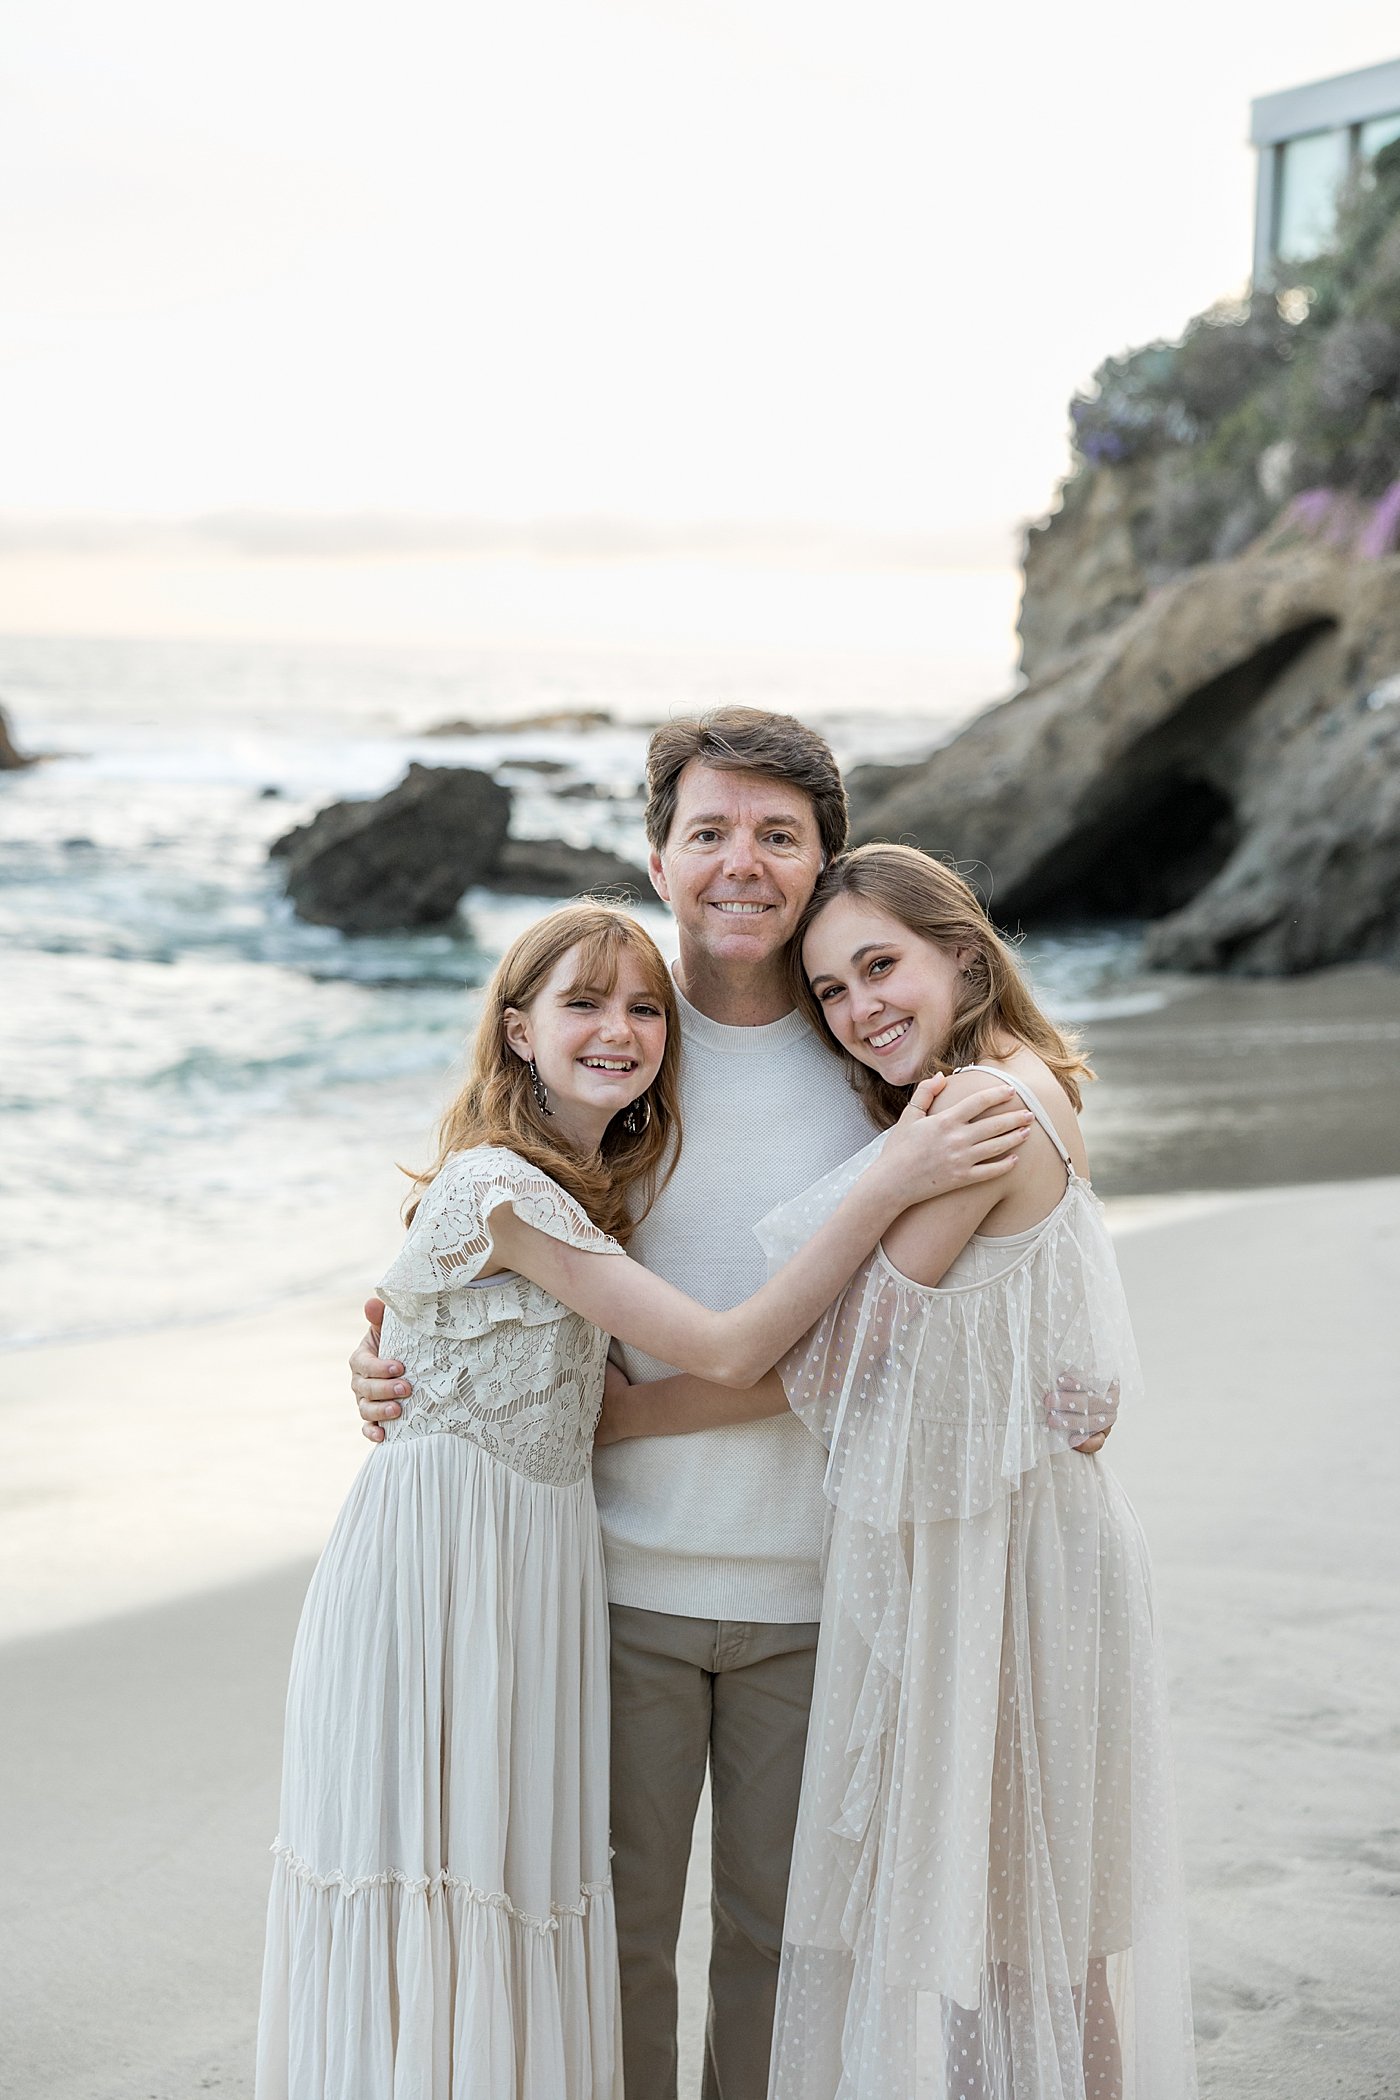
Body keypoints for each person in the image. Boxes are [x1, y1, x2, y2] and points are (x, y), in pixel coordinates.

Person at [353, 709, 1112, 2098]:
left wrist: (1062, 1377)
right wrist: (391, 1368)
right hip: (611, 1583)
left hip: (822, 1591)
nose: (740, 863)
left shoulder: (877, 1059)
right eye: (708, 832)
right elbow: (480, 1240)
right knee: (616, 1943)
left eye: (778, 835)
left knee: (783, 1949)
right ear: (660, 855)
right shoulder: (616, 1043)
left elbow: (966, 1281)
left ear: (824, 862)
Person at [260, 896, 1030, 2100]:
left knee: (568, 1903)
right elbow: (720, 1348)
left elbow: (443, 1320)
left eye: (637, 1010)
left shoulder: (597, 1170)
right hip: (478, 1578)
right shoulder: (509, 1190)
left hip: (543, 1569)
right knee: (501, 1895)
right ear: (515, 1032)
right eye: (580, 1005)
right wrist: (884, 1188)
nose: (619, 1029)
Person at [606, 844, 1196, 2100]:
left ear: (963, 957)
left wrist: (620, 1420)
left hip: (1009, 1560)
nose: (860, 1006)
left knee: (1017, 1947)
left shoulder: (978, 1108)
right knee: (1030, 1942)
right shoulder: (1012, 1081)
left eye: (882, 967)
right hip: (1011, 1533)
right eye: (829, 989)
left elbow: (845, 1355)